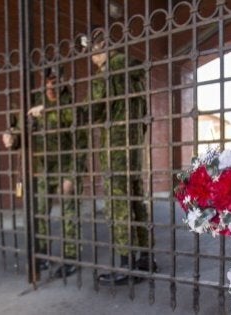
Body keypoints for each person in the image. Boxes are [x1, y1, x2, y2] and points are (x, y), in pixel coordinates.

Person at [2, 67, 86, 278]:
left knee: (69, 213)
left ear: (63, 80)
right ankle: (41, 255)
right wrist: (11, 139)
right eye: (49, 79)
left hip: (66, 166)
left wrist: (73, 175)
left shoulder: (71, 104)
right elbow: (20, 133)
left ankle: (71, 258)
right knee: (39, 212)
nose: (52, 84)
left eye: (56, 79)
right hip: (39, 168)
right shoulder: (32, 102)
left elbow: (82, 142)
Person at [89, 34, 157, 285]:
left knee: (118, 206)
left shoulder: (107, 74)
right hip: (134, 150)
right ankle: (146, 259)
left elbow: (91, 111)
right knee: (136, 201)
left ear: (102, 49)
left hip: (114, 151)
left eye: (93, 53)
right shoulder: (134, 73)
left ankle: (126, 266)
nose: (93, 60)